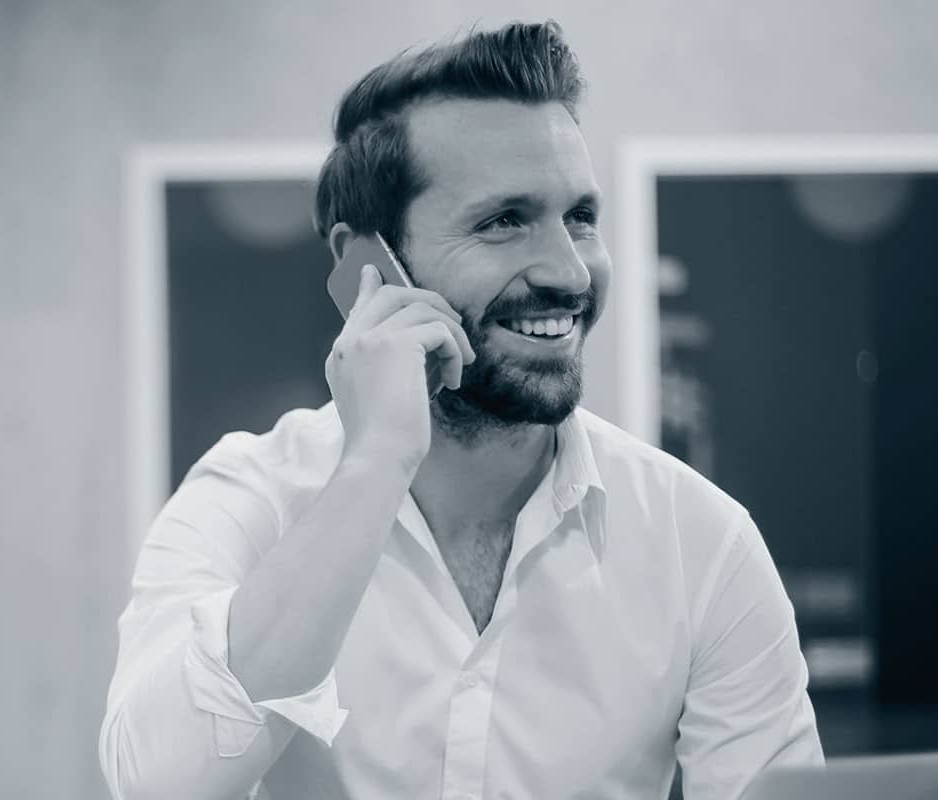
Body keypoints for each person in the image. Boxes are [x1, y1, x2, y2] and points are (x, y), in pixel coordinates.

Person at [100, 20, 823, 799]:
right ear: (367, 264)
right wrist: (375, 465)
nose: (570, 271)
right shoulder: (245, 500)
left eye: (580, 217)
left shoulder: (700, 543)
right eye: (503, 221)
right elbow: (156, 785)